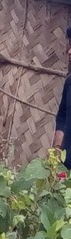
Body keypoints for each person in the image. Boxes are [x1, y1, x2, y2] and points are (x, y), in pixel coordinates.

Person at [54, 26, 71, 170]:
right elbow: (62, 117)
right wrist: (57, 150)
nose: (69, 52)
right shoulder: (69, 81)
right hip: (65, 168)